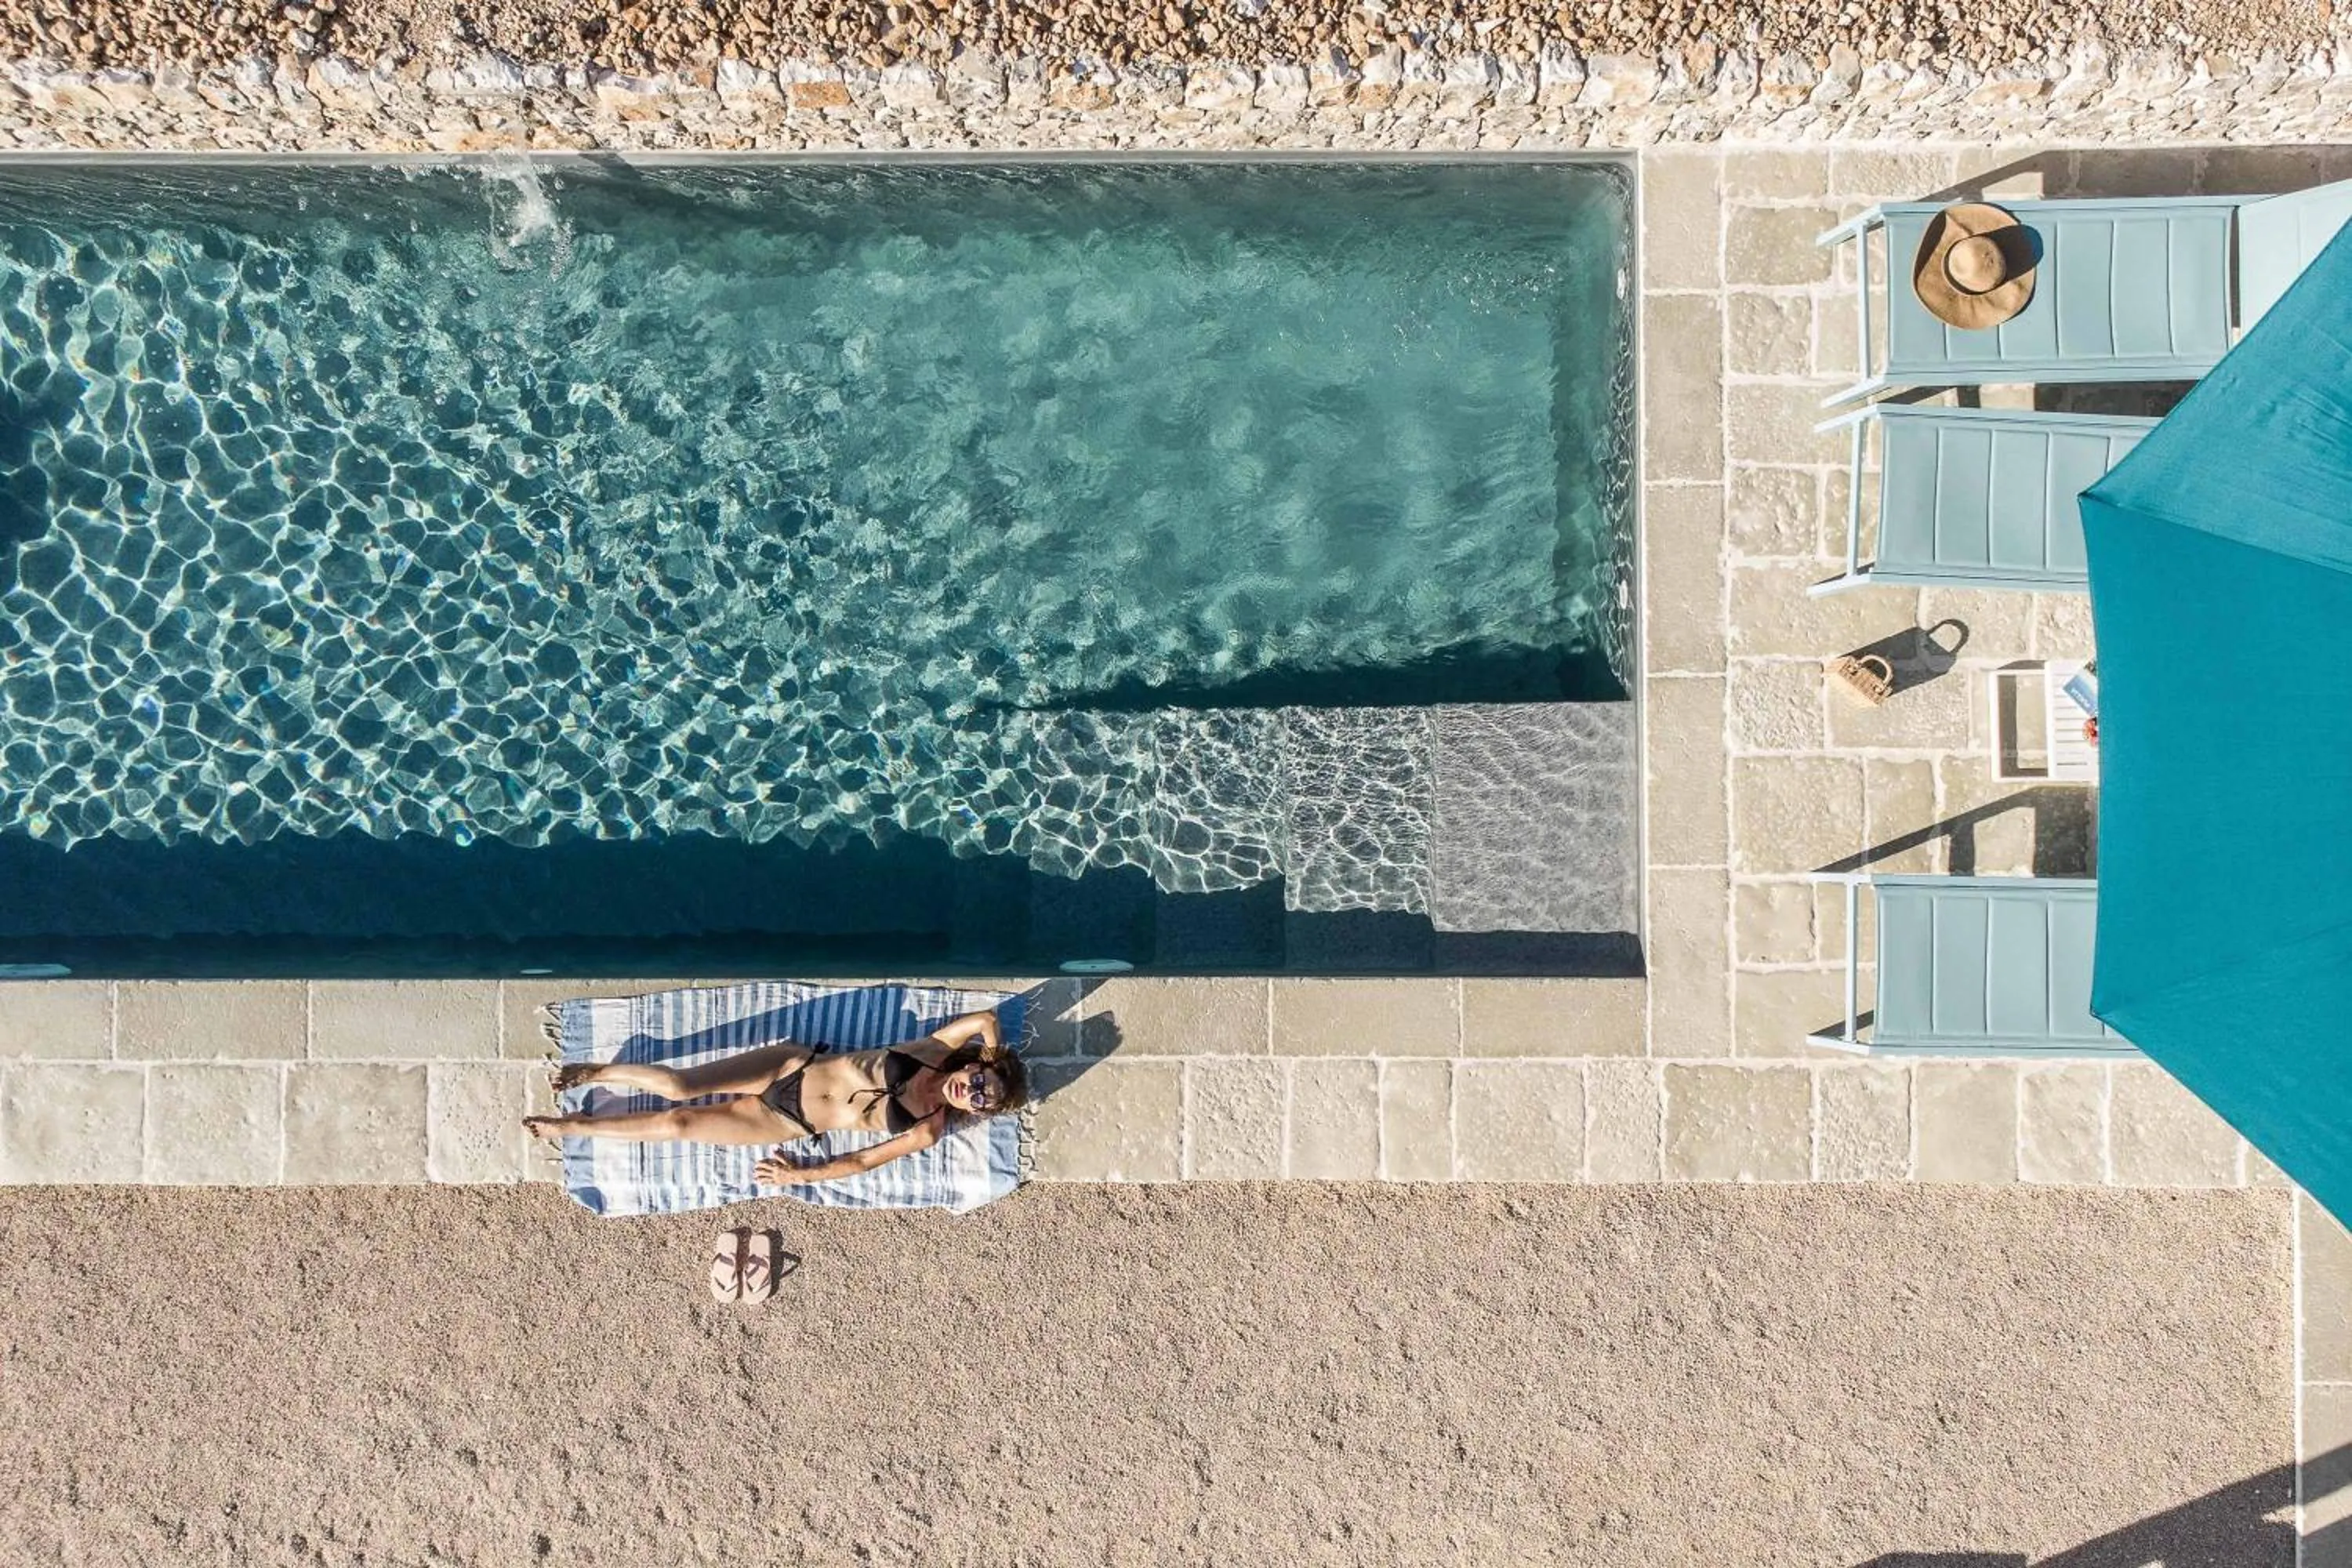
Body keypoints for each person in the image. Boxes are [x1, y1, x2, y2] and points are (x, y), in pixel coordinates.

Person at [523, 1008, 1028, 1187]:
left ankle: (574, 1127)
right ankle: (599, 1072)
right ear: (975, 1065)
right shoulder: (935, 1051)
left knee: (679, 1123)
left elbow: (861, 1161)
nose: (972, 1091)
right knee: (679, 1085)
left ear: (975, 1111)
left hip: (786, 1120)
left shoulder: (929, 1127)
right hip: (791, 1067)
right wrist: (997, 1061)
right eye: (979, 1081)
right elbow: (986, 1020)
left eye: (981, 1100)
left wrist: (797, 1175)